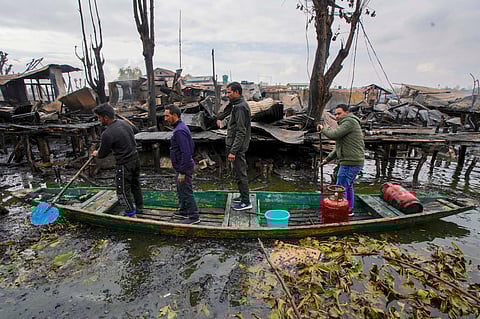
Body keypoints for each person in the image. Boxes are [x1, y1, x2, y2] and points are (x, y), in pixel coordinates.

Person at [92, 103, 143, 217]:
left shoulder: (107, 134)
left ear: (106, 117)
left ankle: (130, 214)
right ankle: (140, 208)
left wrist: (96, 153)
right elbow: (135, 129)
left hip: (124, 164)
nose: (99, 120)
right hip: (135, 159)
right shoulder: (124, 123)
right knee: (135, 185)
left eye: (99, 117)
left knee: (122, 191)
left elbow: (102, 154)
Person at [318, 104, 364, 216]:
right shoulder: (346, 124)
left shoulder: (349, 122)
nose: (337, 116)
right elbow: (338, 148)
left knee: (340, 189)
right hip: (353, 162)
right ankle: (349, 209)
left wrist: (324, 129)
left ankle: (341, 213)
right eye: (335, 114)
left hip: (350, 163)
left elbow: (333, 135)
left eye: (339, 113)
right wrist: (326, 160)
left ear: (347, 113)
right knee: (347, 187)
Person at [164, 105, 200, 224]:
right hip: (180, 166)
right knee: (180, 189)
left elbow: (187, 151)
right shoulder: (179, 128)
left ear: (174, 115)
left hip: (184, 167)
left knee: (186, 190)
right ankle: (184, 210)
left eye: (167, 116)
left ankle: (194, 216)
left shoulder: (180, 130)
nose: (165, 118)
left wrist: (182, 171)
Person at [225, 82, 252, 211]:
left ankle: (246, 202)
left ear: (237, 92)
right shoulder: (237, 106)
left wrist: (233, 151)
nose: (227, 95)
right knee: (238, 173)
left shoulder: (240, 107)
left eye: (229, 92)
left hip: (238, 147)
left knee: (241, 174)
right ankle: (242, 196)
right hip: (237, 146)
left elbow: (241, 131)